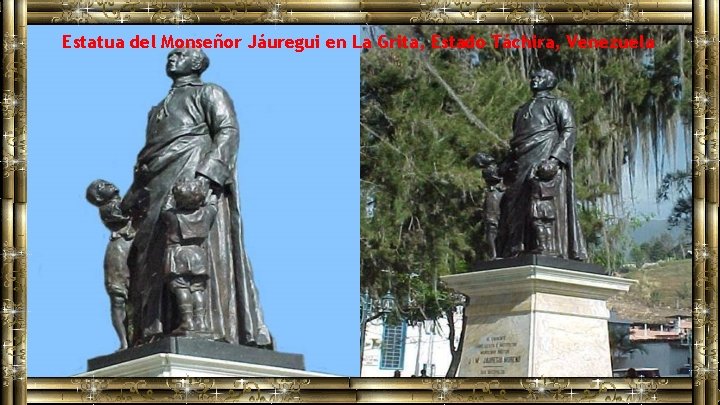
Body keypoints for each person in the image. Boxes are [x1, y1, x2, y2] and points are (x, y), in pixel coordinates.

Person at [120, 48, 273, 348]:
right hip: (155, 188)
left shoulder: (211, 93)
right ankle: (156, 327)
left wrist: (204, 178)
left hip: (192, 184)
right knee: (153, 258)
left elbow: (228, 131)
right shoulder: (156, 109)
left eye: (181, 54)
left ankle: (202, 325)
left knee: (190, 256)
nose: (172, 57)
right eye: (170, 55)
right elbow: (150, 157)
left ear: (198, 63)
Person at [496, 69, 587, 261]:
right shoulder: (521, 110)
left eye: (539, 77)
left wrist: (554, 159)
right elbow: (516, 141)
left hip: (544, 162)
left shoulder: (558, 104)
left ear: (550, 81)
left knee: (542, 204)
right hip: (522, 162)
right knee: (517, 205)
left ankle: (548, 246)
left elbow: (569, 131)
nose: (534, 80)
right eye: (533, 77)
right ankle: (517, 246)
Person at [161, 178, 218, 335]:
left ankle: (187, 322)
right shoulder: (207, 213)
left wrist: (173, 194)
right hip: (198, 254)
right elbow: (213, 203)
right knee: (197, 289)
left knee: (181, 287)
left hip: (178, 253)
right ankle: (201, 322)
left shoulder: (172, 216)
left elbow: (165, 209)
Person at [86, 179, 134, 350]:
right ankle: (124, 341)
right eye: (101, 187)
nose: (107, 185)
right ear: (99, 198)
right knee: (119, 297)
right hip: (119, 251)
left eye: (105, 182)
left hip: (133, 248)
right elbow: (127, 211)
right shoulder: (109, 208)